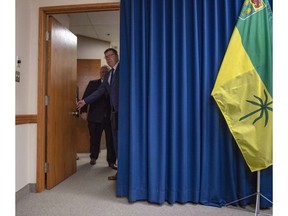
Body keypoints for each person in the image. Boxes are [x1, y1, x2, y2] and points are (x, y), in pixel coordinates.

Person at [77, 48, 120, 180]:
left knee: (118, 143)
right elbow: (98, 92)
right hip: (113, 114)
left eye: (110, 55)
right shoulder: (108, 75)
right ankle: (120, 173)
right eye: (106, 57)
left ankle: (119, 168)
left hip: (123, 114)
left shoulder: (124, 69)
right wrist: (84, 101)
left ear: (117, 55)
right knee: (117, 142)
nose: (108, 58)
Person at [80, 65, 117, 169]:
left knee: (111, 141)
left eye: (106, 72)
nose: (104, 73)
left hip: (110, 118)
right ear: (100, 73)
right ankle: (93, 157)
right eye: (102, 72)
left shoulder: (113, 84)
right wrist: (83, 112)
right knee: (94, 139)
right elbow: (85, 97)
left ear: (109, 73)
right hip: (94, 117)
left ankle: (111, 161)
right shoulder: (93, 84)